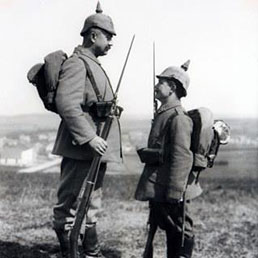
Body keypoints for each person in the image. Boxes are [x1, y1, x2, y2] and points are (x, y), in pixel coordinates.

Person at [51, 2, 121, 258]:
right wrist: (90, 137)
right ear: (93, 35)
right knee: (69, 201)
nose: (112, 42)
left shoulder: (93, 64)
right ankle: (68, 251)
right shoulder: (78, 63)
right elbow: (66, 104)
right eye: (108, 36)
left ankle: (90, 251)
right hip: (81, 146)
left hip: (95, 148)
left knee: (92, 201)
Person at [135, 61, 202, 258]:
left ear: (172, 87)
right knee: (169, 229)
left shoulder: (178, 117)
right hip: (160, 185)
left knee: (179, 232)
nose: (156, 87)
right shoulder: (165, 113)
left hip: (170, 188)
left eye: (161, 83)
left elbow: (182, 157)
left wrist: (175, 192)